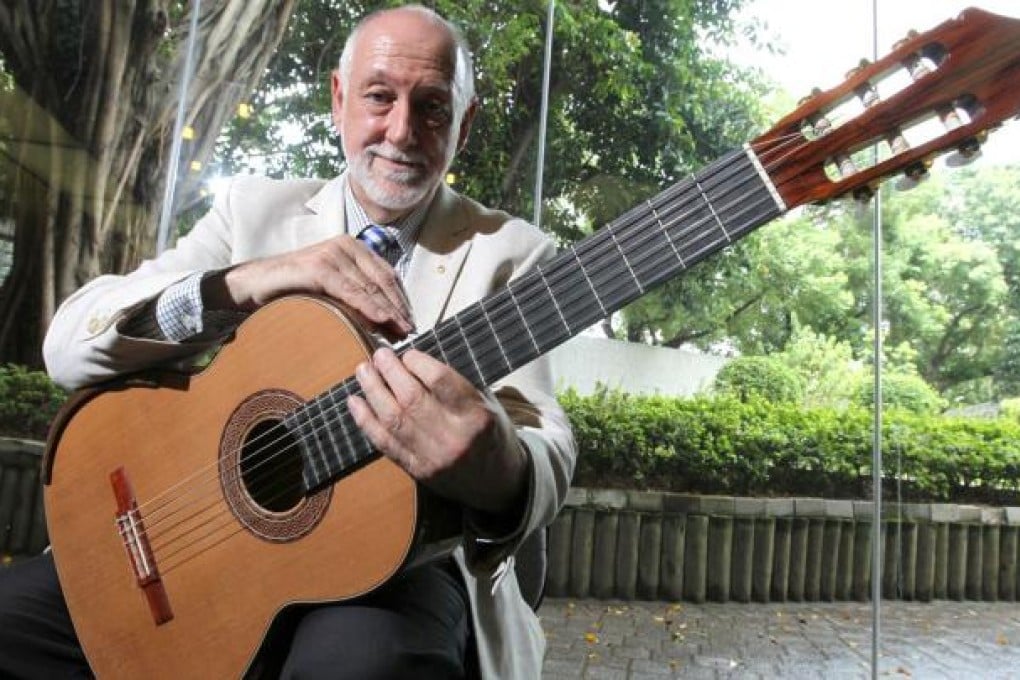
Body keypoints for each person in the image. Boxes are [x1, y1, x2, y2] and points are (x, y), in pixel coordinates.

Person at [0, 5, 576, 679]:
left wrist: (498, 465)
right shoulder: (253, 211)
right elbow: (70, 342)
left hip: (400, 562)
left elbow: (545, 437)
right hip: (187, 544)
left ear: (465, 125)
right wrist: (246, 282)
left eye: (433, 108)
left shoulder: (512, 254)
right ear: (338, 99)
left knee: (362, 665)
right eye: (379, 97)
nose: (401, 131)